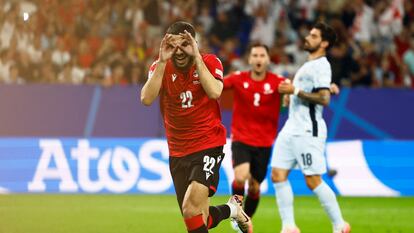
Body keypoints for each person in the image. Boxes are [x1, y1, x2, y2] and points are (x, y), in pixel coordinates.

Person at [140, 21, 253, 233]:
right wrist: (163, 61)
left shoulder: (210, 61)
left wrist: (198, 57)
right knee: (199, 217)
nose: (179, 51)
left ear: (194, 44)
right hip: (178, 151)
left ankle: (233, 210)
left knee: (190, 209)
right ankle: (233, 210)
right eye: (174, 45)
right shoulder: (159, 67)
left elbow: (215, 92)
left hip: (208, 143)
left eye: (185, 44)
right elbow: (146, 99)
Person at [271, 22, 351, 233]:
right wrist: (290, 96)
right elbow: (320, 90)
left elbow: (323, 98)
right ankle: (289, 226)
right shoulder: (308, 65)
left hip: (308, 130)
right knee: (278, 174)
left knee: (313, 180)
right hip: (291, 127)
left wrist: (295, 90)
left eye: (314, 36)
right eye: (309, 34)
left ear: (323, 43)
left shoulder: (322, 65)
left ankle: (339, 225)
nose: (308, 37)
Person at [223, 43, 285, 225]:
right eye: (255, 55)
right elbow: (217, 85)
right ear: (249, 60)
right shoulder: (238, 78)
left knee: (255, 188)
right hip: (241, 139)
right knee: (240, 177)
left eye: (262, 55)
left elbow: (295, 88)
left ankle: (244, 220)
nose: (258, 59)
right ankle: (237, 214)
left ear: (267, 59)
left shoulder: (278, 81)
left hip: (264, 143)